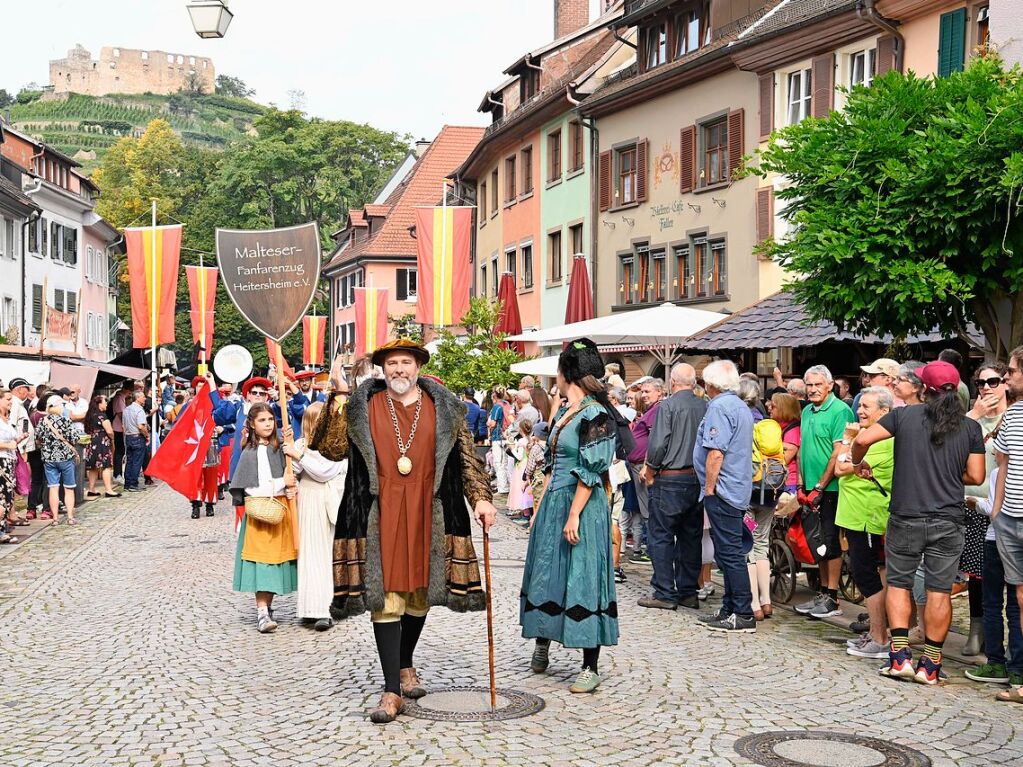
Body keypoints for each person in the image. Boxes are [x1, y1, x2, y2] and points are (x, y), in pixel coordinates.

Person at [317, 338, 496, 724]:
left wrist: (480, 497)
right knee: (385, 598)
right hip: (376, 510)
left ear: (417, 367)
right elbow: (330, 449)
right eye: (392, 363)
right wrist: (337, 396)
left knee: (420, 596)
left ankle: (406, 662)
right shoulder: (360, 406)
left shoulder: (445, 406)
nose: (399, 369)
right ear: (382, 368)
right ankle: (391, 691)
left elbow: (466, 458)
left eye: (405, 362)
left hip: (429, 510)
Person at [852, 360, 985, 685]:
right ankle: (931, 665)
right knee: (939, 592)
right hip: (949, 520)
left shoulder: (904, 416)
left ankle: (900, 659)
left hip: (906, 516)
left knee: (899, 583)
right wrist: (950, 474)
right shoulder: (970, 427)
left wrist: (858, 463)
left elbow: (862, 440)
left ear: (924, 388)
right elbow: (976, 475)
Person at [520, 338, 619, 693]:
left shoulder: (596, 414)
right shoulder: (565, 412)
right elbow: (551, 463)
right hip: (555, 502)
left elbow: (592, 470)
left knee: (582, 576)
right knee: (547, 571)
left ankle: (590, 665)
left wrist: (574, 514)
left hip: (582, 504)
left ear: (565, 374)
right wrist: (542, 505)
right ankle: (542, 640)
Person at [638, 363, 706, 611]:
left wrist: (650, 469)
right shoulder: (704, 405)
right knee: (691, 537)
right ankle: (688, 591)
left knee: (661, 536)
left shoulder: (668, 405)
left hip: (670, 477)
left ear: (673, 383)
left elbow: (657, 445)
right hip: (695, 478)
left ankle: (665, 592)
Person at [694, 360, 756, 633]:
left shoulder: (720, 406)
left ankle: (742, 611)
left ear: (710, 384)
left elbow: (716, 452)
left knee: (730, 553)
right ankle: (730, 608)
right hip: (735, 486)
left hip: (723, 489)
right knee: (727, 551)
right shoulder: (739, 405)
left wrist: (709, 488)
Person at [835, 386, 895, 659]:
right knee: (867, 574)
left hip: (868, 516)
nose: (859, 411)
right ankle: (875, 632)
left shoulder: (882, 440)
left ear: (883, 412)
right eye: (859, 406)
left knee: (867, 576)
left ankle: (880, 637)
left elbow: (842, 467)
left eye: (866, 407)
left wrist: (848, 442)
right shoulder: (863, 436)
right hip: (854, 515)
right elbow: (842, 466)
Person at [229, 402, 299, 634]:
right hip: (262, 513)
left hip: (280, 510)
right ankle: (261, 613)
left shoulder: (279, 447)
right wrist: (282, 483)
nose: (267, 424)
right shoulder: (251, 453)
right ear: (252, 424)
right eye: (262, 420)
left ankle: (268, 608)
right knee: (263, 564)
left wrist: (291, 486)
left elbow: (291, 472)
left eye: (270, 419)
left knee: (276, 563)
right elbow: (252, 489)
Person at [794, 365, 855, 619]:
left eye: (818, 384)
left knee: (830, 541)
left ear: (830, 385)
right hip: (809, 485)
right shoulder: (807, 410)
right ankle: (822, 591)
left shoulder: (840, 410)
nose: (813, 389)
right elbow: (802, 448)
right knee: (816, 541)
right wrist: (800, 483)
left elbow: (838, 452)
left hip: (829, 487)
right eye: (809, 385)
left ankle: (832, 596)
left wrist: (820, 484)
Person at [282, 401, 347, 631]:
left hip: (328, 500)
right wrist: (290, 452)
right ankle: (309, 608)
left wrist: (298, 455)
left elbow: (324, 471)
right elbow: (296, 472)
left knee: (326, 553)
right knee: (308, 554)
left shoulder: (337, 445)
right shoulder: (302, 444)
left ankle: (326, 609)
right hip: (308, 500)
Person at [961, 362, 1008, 656]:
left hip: (1001, 505)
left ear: (1006, 383)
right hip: (968, 502)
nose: (987, 388)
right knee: (975, 574)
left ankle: (996, 633)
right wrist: (973, 416)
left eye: (993, 381)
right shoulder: (971, 419)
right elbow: (947, 444)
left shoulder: (1012, 418)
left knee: (1002, 575)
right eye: (981, 383)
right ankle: (976, 629)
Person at [965, 466, 1023, 691]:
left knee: (991, 604)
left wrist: (973, 502)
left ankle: (996, 663)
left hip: (996, 538)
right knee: (1016, 605)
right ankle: (1017, 668)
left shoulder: (1000, 472)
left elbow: (992, 508)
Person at [992, 346, 1023, 702]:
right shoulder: (1012, 417)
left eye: (1012, 371)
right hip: (1010, 520)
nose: (1007, 377)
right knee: (1019, 596)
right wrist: (998, 511)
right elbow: (1002, 466)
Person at [626, 378, 665, 564]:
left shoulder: (657, 411)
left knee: (648, 509)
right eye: (643, 391)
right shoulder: (650, 411)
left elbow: (654, 439)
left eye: (648, 391)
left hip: (643, 466)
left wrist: (647, 465)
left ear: (660, 392)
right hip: (638, 464)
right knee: (644, 509)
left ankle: (652, 549)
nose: (644, 395)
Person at [39, 395, 80, 526]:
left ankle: (55, 518)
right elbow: (75, 438)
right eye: (62, 405)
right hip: (65, 458)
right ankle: (69, 517)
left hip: (49, 458)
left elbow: (39, 437)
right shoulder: (66, 421)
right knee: (69, 488)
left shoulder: (43, 421)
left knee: (53, 488)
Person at [0, 389, 28, 543]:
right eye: (8, 399)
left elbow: (10, 442)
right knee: (2, 498)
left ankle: (3, 529)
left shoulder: (6, 419)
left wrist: (19, 439)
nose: (11, 402)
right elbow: (5, 443)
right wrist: (6, 445)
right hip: (1, 461)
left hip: (10, 460)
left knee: (9, 497)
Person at [84, 394, 119, 499]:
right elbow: (109, 431)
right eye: (105, 402)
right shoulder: (102, 416)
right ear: (99, 404)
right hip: (102, 442)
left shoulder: (90, 415)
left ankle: (91, 489)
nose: (107, 403)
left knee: (93, 467)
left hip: (91, 442)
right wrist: (112, 438)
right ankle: (108, 490)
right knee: (106, 465)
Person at [506, 419, 534, 523]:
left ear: (520, 429)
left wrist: (512, 448)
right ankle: (525, 512)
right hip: (527, 463)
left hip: (521, 465)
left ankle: (524, 513)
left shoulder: (522, 441)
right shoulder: (530, 439)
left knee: (520, 488)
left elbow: (519, 456)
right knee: (526, 489)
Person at [122, 391, 150, 493]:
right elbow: (141, 426)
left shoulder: (126, 409)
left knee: (129, 461)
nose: (145, 398)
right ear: (137, 398)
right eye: (143, 397)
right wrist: (147, 435)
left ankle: (127, 484)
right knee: (137, 461)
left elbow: (123, 426)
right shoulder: (139, 410)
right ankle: (133, 484)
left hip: (128, 437)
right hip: (137, 437)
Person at [288, 370, 327, 439]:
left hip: (318, 436)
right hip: (300, 437)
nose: (304, 383)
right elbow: (300, 413)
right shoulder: (293, 400)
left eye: (307, 380)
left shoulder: (321, 397)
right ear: (298, 383)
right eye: (302, 381)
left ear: (311, 381)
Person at [487, 386, 511, 494]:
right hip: (507, 436)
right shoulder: (507, 404)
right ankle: (507, 486)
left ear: (494, 395)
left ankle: (503, 488)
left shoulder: (497, 406)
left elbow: (493, 423)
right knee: (506, 463)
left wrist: (488, 423)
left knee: (499, 463)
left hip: (498, 437)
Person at [110, 381, 132, 480]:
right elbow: (121, 414)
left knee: (121, 451)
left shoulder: (122, 398)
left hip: (120, 427)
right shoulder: (119, 398)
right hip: (118, 427)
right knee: (119, 451)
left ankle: (118, 473)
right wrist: (126, 424)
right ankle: (117, 474)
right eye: (129, 392)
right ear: (126, 390)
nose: (130, 394)